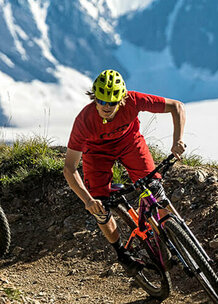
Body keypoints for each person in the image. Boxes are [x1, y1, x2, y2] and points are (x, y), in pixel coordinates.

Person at [63, 69, 186, 275]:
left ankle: (179, 238)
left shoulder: (133, 101)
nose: (106, 106)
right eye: (101, 101)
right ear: (94, 97)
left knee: (155, 190)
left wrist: (178, 140)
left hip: (130, 144)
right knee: (101, 209)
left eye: (112, 102)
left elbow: (177, 106)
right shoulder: (84, 121)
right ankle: (121, 253)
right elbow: (69, 168)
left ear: (122, 99)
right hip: (97, 154)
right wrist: (88, 201)